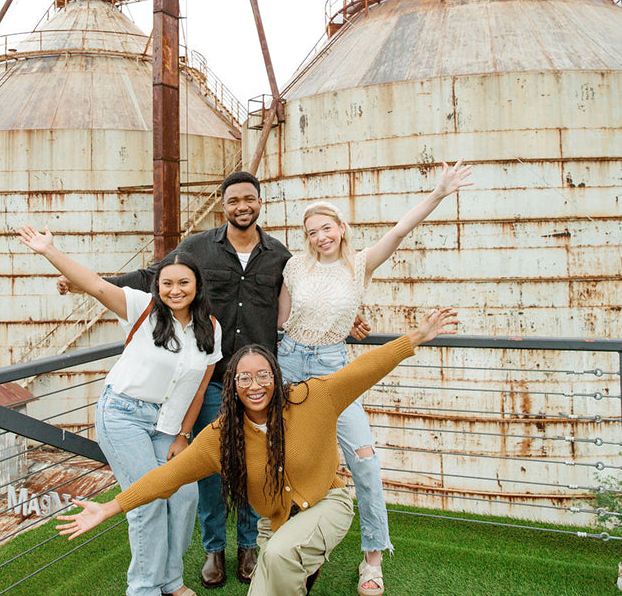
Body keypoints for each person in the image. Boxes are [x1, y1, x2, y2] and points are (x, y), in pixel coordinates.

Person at [56, 308, 459, 596]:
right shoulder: (221, 435)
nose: (254, 385)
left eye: (262, 375)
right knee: (271, 574)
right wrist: (112, 507)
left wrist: (416, 338)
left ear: (275, 376)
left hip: (327, 503)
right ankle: (301, 565)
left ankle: (302, 560)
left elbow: (363, 368)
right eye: (244, 378)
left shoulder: (312, 397)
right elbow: (168, 477)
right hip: (277, 520)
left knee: (280, 557)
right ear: (231, 385)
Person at [57, 171, 291, 587]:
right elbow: (153, 278)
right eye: (234, 199)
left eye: (249, 199)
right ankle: (214, 550)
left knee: (254, 464)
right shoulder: (199, 247)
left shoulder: (278, 254)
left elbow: (303, 295)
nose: (242, 206)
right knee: (208, 471)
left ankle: (250, 546)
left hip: (257, 383)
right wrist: (89, 286)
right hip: (212, 383)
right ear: (224, 205)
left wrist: (351, 316)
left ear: (259, 202)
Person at [276, 158, 473, 596]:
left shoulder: (360, 264)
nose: (320, 237)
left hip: (333, 367)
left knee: (363, 459)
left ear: (341, 228)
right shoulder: (294, 267)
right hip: (287, 364)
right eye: (312, 232)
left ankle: (372, 558)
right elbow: (281, 318)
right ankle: (282, 545)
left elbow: (400, 231)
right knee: (284, 455)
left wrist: (439, 192)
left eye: (327, 228)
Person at [18, 225, 222, 596]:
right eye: (167, 283)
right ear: (157, 286)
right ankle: (143, 588)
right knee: (146, 501)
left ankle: (170, 580)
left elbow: (200, 386)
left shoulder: (210, 327)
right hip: (123, 414)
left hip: (167, 426)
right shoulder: (143, 308)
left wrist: (183, 435)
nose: (175, 290)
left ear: (197, 285)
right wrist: (49, 250)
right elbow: (95, 284)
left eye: (183, 283)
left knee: (185, 495)